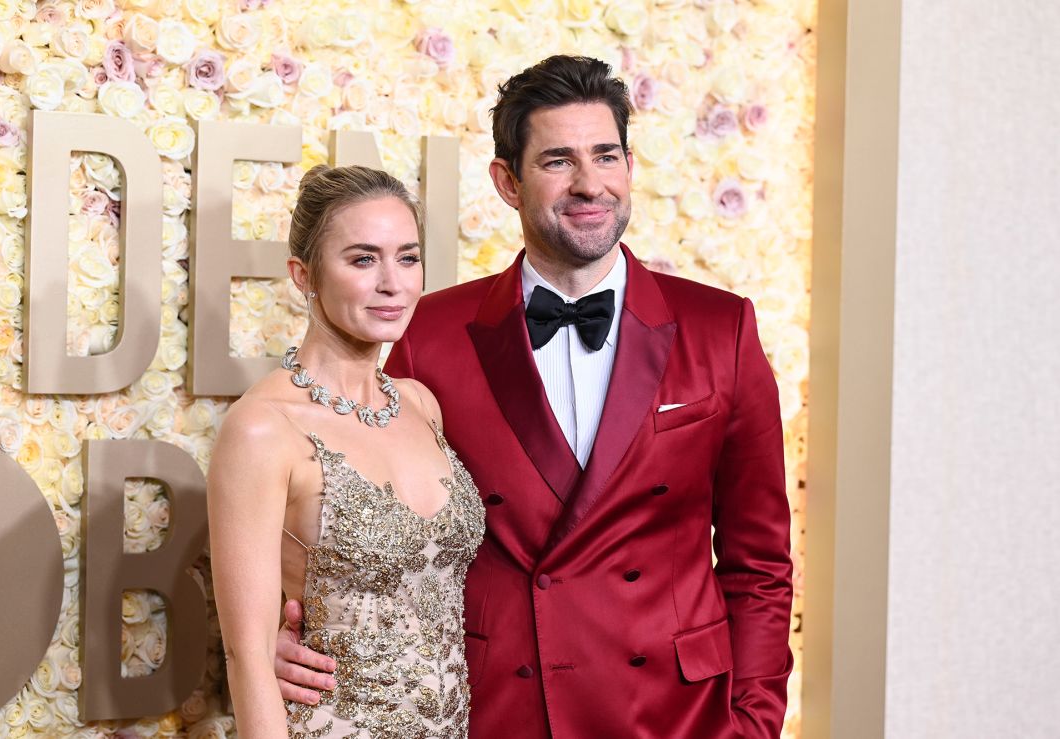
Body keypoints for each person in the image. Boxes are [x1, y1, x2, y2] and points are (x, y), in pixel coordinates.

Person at [274, 56, 793, 738]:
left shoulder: (722, 328)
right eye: (557, 160)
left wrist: (753, 722)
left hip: (680, 715)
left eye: (605, 155)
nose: (589, 184)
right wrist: (290, 641)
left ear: (630, 167)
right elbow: (362, 512)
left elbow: (761, 561)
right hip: (504, 708)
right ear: (506, 182)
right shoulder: (431, 334)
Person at [208, 165, 485, 739]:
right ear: (304, 275)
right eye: (362, 260)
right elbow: (249, 656)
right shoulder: (263, 429)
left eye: (407, 258)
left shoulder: (419, 405)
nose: (393, 283)